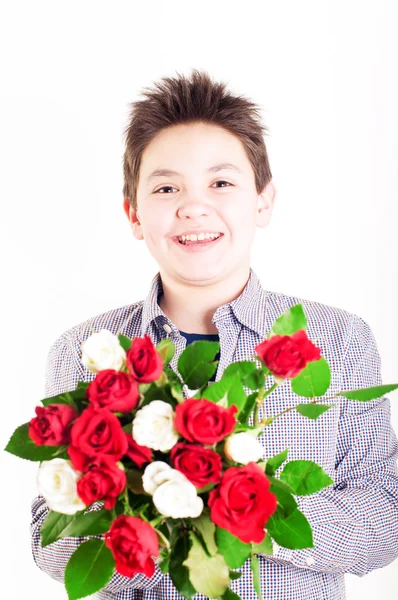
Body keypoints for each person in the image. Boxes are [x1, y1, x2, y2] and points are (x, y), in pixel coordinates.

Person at [30, 68, 398, 600]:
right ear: (133, 213)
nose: (194, 205)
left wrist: (246, 508)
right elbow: (48, 534)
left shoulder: (339, 340)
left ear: (263, 201)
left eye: (221, 182)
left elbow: (384, 516)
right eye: (165, 187)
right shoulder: (84, 353)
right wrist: (157, 507)